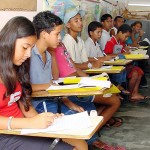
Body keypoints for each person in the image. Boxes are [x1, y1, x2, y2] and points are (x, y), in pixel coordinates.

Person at [0, 16, 74, 150]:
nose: (28, 54)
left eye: (31, 48)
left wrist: (45, 120)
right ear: (9, 42)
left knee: (79, 144)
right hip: (6, 134)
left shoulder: (15, 68)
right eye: (25, 47)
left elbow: (26, 108)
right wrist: (29, 123)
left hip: (21, 129)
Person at [62, 6, 126, 150]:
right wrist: (92, 65)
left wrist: (94, 63)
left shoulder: (78, 39)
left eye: (80, 20)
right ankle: (92, 134)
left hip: (84, 80)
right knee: (114, 100)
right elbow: (74, 67)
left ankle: (93, 129)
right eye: (76, 20)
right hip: (77, 84)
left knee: (114, 93)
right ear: (67, 25)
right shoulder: (67, 41)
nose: (80, 23)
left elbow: (83, 62)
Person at [30, 10, 91, 150]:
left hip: (51, 101)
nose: (59, 38)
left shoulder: (49, 55)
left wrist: (69, 102)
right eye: (57, 34)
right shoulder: (29, 55)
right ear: (44, 34)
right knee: (80, 134)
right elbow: (25, 88)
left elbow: (55, 83)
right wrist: (48, 85)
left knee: (81, 114)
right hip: (38, 106)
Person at [104, 24, 150, 102]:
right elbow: (107, 55)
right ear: (120, 33)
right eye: (126, 36)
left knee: (140, 71)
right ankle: (129, 95)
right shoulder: (111, 41)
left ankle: (134, 93)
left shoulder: (120, 42)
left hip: (122, 64)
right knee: (135, 73)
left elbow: (123, 51)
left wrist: (126, 51)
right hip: (114, 67)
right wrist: (121, 54)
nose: (126, 38)